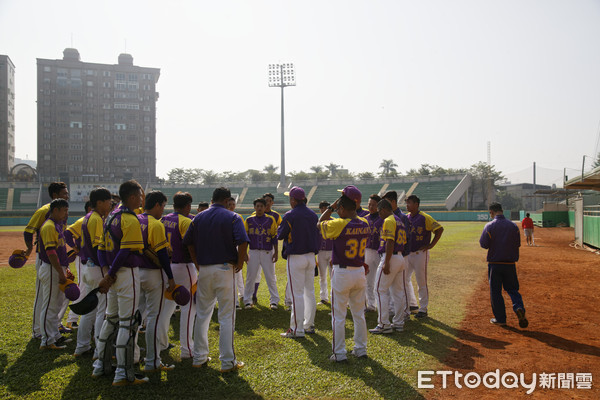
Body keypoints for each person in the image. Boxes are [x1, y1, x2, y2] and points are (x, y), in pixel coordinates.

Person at [183, 187, 248, 373]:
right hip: (225, 268)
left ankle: (199, 357)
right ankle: (227, 362)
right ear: (227, 200)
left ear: (212, 199)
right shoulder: (232, 217)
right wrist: (240, 262)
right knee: (226, 316)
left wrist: (197, 264)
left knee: (202, 314)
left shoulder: (199, 217)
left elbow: (188, 243)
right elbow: (242, 241)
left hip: (204, 269)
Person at [92, 180, 149, 386]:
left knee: (111, 319)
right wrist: (110, 274)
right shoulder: (129, 219)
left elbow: (100, 248)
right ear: (132, 197)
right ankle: (122, 373)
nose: (142, 199)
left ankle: (100, 365)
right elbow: (126, 251)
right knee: (127, 322)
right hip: (125, 274)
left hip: (113, 274)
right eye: (140, 196)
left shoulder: (110, 217)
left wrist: (107, 272)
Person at [319, 191, 370, 362]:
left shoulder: (339, 224)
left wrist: (331, 208)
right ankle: (361, 349)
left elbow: (319, 224)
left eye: (338, 208)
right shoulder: (365, 222)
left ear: (341, 208)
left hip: (342, 272)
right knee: (358, 314)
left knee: (339, 316)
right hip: (359, 272)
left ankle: (340, 353)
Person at [24, 182, 69, 339]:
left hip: (57, 257)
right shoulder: (44, 211)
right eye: (64, 193)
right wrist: (29, 249)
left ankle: (54, 326)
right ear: (55, 196)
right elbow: (28, 231)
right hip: (45, 257)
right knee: (42, 295)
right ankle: (38, 330)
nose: (67, 196)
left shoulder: (63, 211)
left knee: (58, 295)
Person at [137, 190, 176, 372]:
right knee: (153, 317)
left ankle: (133, 354)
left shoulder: (134, 220)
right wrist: (170, 277)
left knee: (135, 315)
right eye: (163, 206)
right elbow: (162, 254)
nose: (163, 210)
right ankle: (153, 361)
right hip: (153, 274)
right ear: (158, 204)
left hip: (135, 272)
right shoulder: (155, 224)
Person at [73, 188, 113, 358]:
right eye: (108, 201)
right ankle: (100, 350)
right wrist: (106, 271)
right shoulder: (96, 219)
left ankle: (82, 346)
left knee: (90, 310)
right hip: (96, 268)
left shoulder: (89, 217)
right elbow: (98, 248)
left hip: (89, 267)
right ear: (99, 202)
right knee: (101, 311)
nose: (110, 204)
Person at [278, 186, 319, 338]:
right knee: (310, 292)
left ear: (294, 200)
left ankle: (297, 329)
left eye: (290, 198)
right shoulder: (313, 214)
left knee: (297, 294)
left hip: (296, 256)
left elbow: (280, 234)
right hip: (310, 257)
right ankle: (309, 325)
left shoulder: (290, 215)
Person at [480, 202, 528, 329]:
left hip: (495, 264)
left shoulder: (489, 226)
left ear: (491, 212)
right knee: (512, 289)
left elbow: (484, 244)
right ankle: (518, 307)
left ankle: (500, 319)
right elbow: (517, 244)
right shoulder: (513, 226)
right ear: (502, 210)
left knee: (496, 292)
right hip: (510, 264)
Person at [162, 191, 197, 359]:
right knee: (189, 308)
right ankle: (187, 350)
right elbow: (191, 245)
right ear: (188, 206)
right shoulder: (186, 221)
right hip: (184, 265)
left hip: (167, 267)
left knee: (166, 307)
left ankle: (161, 342)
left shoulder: (163, 219)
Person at [369, 199, 410, 334]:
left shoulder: (389, 220)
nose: (379, 214)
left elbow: (390, 241)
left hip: (390, 257)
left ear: (383, 210)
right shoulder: (398, 219)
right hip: (400, 257)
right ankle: (399, 323)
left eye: (379, 211)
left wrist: (387, 262)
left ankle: (383, 324)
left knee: (379, 290)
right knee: (397, 292)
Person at [38, 198, 71, 350]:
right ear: (55, 210)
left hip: (57, 268)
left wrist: (65, 269)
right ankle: (46, 340)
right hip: (51, 269)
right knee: (50, 305)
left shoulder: (57, 225)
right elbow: (51, 253)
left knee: (56, 303)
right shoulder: (49, 226)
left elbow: (60, 250)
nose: (66, 214)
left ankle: (55, 336)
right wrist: (60, 272)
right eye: (64, 210)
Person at [404, 195, 444, 319]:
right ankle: (408, 305)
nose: (407, 205)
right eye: (406, 203)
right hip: (408, 254)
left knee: (421, 281)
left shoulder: (425, 217)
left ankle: (423, 309)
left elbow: (439, 229)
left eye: (409, 203)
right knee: (403, 279)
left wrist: (431, 245)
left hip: (420, 254)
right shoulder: (406, 217)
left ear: (416, 204)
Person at [243, 198, 279, 310]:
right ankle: (247, 300)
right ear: (254, 207)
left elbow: (274, 237)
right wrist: (244, 253)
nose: (259, 208)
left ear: (265, 207)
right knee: (250, 277)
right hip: (253, 251)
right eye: (257, 206)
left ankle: (274, 300)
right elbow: (245, 239)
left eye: (261, 206)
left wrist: (276, 252)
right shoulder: (248, 220)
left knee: (270, 277)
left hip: (267, 252)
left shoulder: (271, 219)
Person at [61, 201, 92, 331]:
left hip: (89, 259)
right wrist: (74, 247)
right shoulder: (83, 220)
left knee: (87, 287)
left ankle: (76, 319)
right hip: (82, 258)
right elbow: (67, 233)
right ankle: (72, 319)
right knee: (83, 287)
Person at [250, 193, 283, 304]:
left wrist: (276, 250)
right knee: (255, 273)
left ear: (272, 202)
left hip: (268, 248)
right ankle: (253, 296)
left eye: (269, 200)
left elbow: (278, 231)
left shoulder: (276, 216)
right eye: (265, 200)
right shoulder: (254, 215)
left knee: (270, 274)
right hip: (255, 249)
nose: (267, 202)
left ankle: (273, 299)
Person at [364, 194, 383, 313]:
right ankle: (371, 305)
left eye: (374, 205)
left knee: (382, 280)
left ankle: (386, 306)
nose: (371, 207)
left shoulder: (383, 218)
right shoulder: (365, 219)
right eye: (369, 204)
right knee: (369, 279)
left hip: (380, 251)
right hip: (368, 251)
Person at [227, 197, 244, 310]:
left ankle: (241, 294)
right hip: (226, 248)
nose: (232, 206)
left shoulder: (238, 217)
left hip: (236, 246)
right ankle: (234, 301)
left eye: (233, 204)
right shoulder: (224, 217)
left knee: (238, 273)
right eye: (230, 204)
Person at [316, 201, 333, 305]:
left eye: (326, 208)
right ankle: (323, 297)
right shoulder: (317, 222)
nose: (324, 210)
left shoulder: (334, 221)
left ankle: (333, 297)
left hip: (331, 251)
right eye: (322, 208)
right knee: (322, 275)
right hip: (321, 252)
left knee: (333, 276)